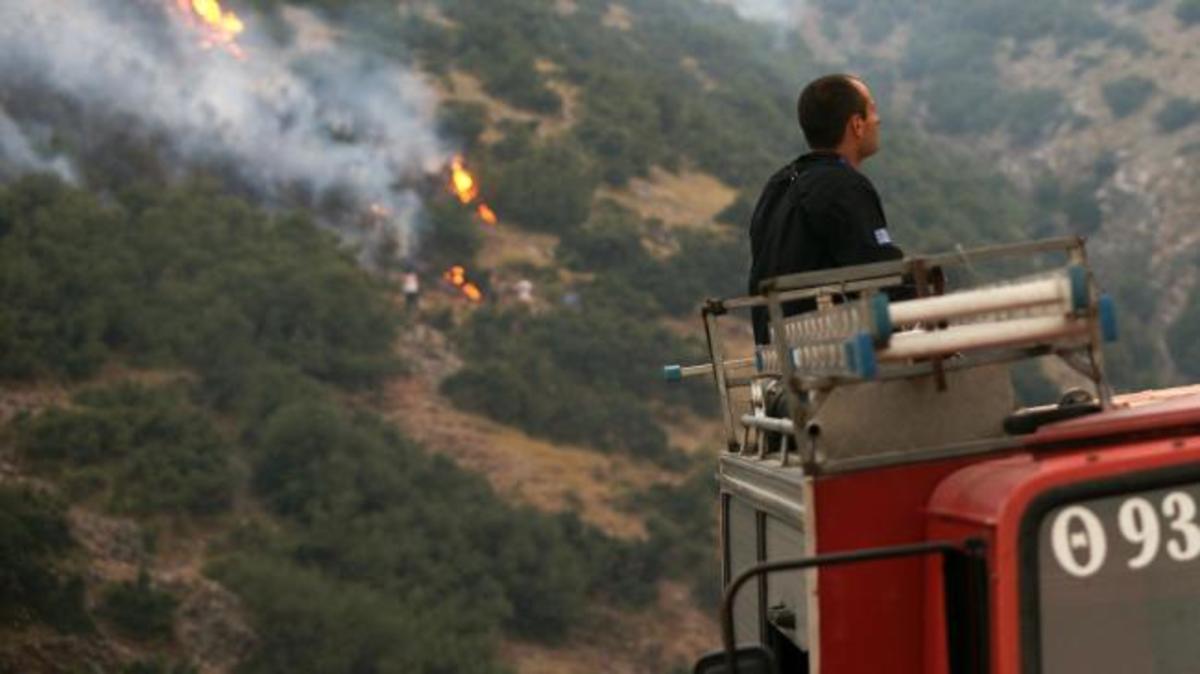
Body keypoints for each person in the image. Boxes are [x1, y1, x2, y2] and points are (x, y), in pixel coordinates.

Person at [747, 74, 907, 345]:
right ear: (857, 125)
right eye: (872, 110)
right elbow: (879, 277)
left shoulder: (779, 184)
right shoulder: (843, 186)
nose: (878, 120)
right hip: (826, 355)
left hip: (778, 353)